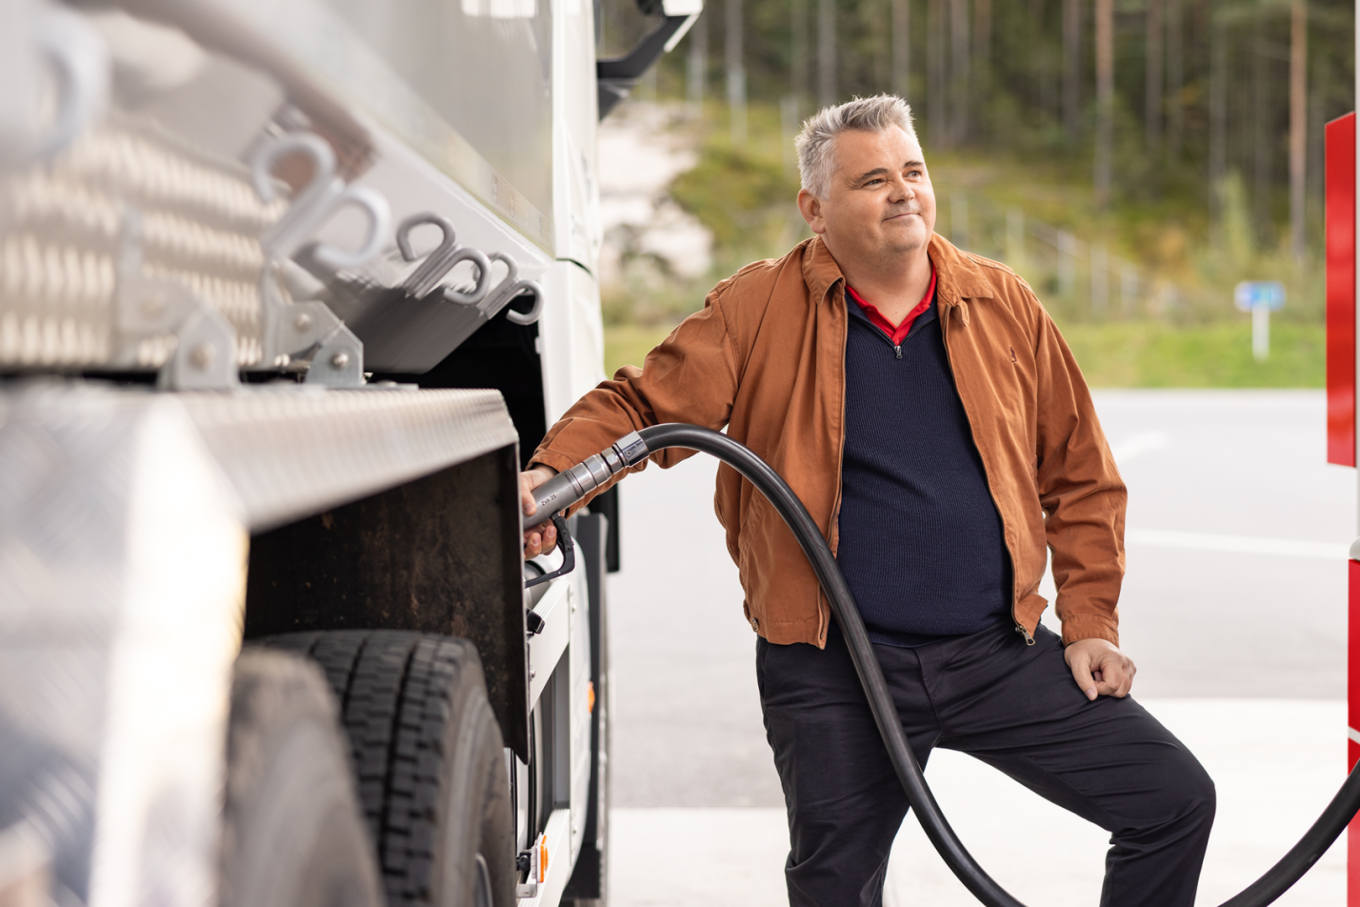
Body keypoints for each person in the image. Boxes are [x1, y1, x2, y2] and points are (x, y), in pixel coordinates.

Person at [520, 95, 1214, 907]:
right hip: (833, 665)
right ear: (815, 209)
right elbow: (641, 410)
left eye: (913, 171)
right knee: (836, 887)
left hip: (995, 651)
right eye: (873, 179)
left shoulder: (1003, 305)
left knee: (1173, 801)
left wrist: (1091, 622)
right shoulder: (758, 307)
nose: (904, 192)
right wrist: (552, 477)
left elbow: (1083, 476)